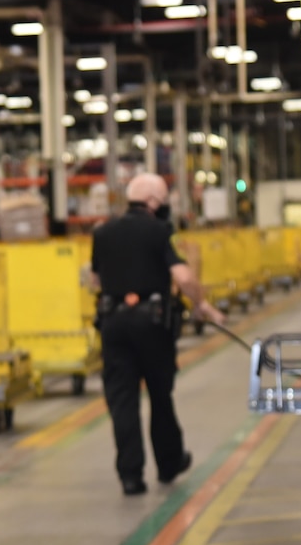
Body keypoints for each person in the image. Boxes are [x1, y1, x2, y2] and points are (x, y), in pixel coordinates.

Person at [90, 173, 225, 496]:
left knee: (122, 401)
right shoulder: (160, 231)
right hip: (152, 325)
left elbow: (95, 280)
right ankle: (168, 462)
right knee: (160, 396)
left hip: (113, 323)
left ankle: (131, 476)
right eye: (163, 202)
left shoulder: (103, 232)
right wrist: (201, 304)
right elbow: (183, 274)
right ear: (153, 202)